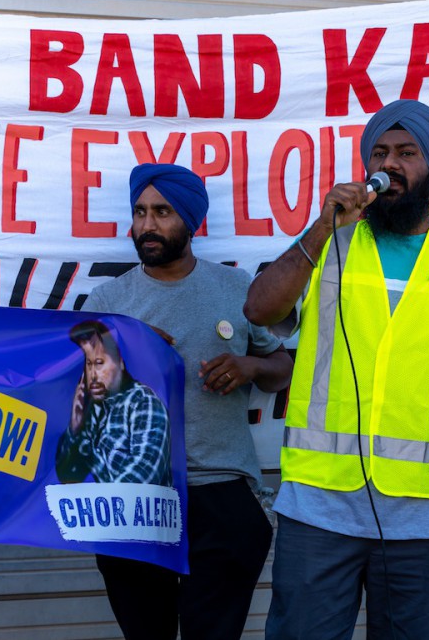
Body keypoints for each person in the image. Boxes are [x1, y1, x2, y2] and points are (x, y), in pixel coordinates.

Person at [244, 99, 429, 639]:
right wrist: (321, 227)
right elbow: (259, 310)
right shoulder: (329, 244)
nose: (391, 164)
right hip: (319, 505)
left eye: (407, 153)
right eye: (380, 152)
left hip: (427, 512)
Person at [81, 163, 294, 640]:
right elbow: (77, 396)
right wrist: (125, 356)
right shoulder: (107, 300)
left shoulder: (238, 289)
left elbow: (282, 365)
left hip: (223, 491)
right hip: (135, 496)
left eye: (162, 212)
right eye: (139, 212)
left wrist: (250, 367)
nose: (147, 225)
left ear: (191, 220)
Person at [55, 319, 171, 486]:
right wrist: (75, 427)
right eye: (88, 364)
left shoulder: (143, 402)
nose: (93, 374)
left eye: (99, 363)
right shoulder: (93, 410)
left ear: (120, 363)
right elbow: (66, 474)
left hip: (133, 510)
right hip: (102, 508)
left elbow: (142, 479)